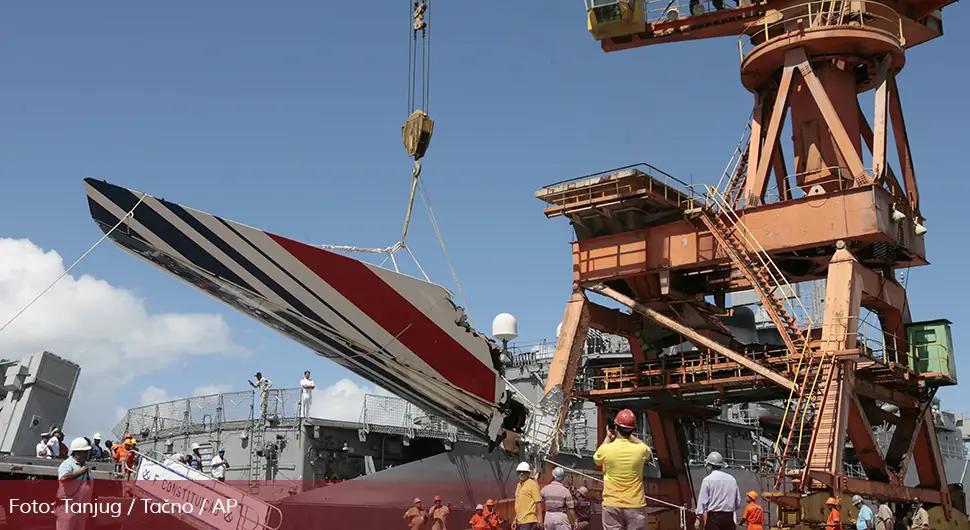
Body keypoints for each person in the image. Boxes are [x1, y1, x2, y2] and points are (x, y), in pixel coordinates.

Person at [593, 409, 652, 530]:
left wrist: (609, 437)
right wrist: (630, 436)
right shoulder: (640, 450)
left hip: (612, 504)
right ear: (633, 429)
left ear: (616, 427)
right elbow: (647, 449)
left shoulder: (606, 450)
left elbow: (597, 460)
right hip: (635, 504)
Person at [695, 452, 742, 530]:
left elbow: (702, 501)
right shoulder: (732, 479)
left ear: (710, 466)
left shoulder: (708, 480)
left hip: (714, 518)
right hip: (729, 518)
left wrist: (698, 519)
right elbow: (738, 502)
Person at [55, 437, 93, 530]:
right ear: (77, 453)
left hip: (80, 509)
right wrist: (79, 473)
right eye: (85, 452)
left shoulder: (83, 466)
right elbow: (63, 478)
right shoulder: (68, 464)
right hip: (67, 508)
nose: (87, 454)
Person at [513, 462, 543, 530]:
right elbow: (519, 504)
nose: (521, 473)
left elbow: (538, 502)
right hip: (520, 521)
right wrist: (515, 519)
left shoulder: (532, 484)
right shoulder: (519, 485)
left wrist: (540, 520)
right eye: (519, 472)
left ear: (528, 473)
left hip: (529, 521)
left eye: (524, 472)